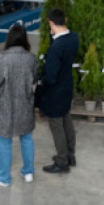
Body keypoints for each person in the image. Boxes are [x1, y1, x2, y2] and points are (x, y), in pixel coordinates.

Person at [0, 25, 39, 186]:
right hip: (25, 104)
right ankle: (28, 172)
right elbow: (35, 79)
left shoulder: (2, 58)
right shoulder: (32, 59)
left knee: (5, 140)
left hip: (5, 105)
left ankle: (4, 177)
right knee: (27, 138)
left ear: (9, 39)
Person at [37, 9, 79, 174]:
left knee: (56, 125)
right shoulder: (73, 38)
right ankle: (70, 154)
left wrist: (41, 82)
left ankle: (62, 161)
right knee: (66, 119)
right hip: (67, 87)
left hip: (55, 92)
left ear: (51, 23)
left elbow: (51, 75)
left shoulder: (56, 47)